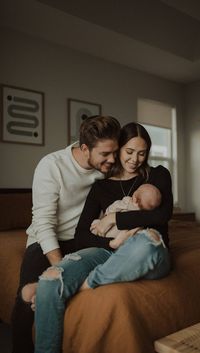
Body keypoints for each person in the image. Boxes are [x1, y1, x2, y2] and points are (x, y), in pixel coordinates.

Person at [32, 122, 173, 353]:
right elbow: (81, 236)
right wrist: (111, 243)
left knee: (147, 244)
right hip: (108, 250)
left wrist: (114, 219)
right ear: (118, 149)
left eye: (142, 153)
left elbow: (162, 216)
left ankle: (88, 283)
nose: (135, 159)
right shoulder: (101, 187)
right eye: (129, 152)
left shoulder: (157, 174)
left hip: (144, 246)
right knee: (50, 282)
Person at [11, 115, 121, 353]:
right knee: (25, 297)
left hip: (83, 240)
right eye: (105, 154)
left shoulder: (107, 168)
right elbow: (43, 222)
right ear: (84, 148)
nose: (112, 159)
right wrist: (59, 268)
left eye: (115, 152)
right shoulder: (52, 166)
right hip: (46, 241)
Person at [91, 183, 162, 248]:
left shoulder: (127, 201)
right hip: (121, 240)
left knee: (96, 224)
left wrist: (108, 214)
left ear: (135, 198)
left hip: (107, 233)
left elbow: (114, 207)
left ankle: (95, 231)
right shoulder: (142, 219)